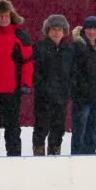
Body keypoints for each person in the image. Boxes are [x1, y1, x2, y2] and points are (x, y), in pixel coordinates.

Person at [0, 0, 33, 157]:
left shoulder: (21, 36)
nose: (3, 18)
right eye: (0, 15)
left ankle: (14, 159)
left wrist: (26, 83)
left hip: (12, 90)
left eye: (6, 15)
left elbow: (28, 62)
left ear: (11, 16)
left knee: (12, 128)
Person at [30, 13, 74, 156]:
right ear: (47, 30)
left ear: (64, 32)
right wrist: (44, 89)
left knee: (58, 129)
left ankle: (55, 155)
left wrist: (67, 89)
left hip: (61, 98)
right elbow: (34, 72)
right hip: (43, 97)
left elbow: (73, 72)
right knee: (41, 128)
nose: (56, 32)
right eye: (54, 29)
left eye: (60, 29)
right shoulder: (39, 47)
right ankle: (38, 154)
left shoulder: (69, 50)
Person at [70, 15, 96, 155]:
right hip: (82, 97)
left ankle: (90, 156)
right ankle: (77, 157)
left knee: (93, 130)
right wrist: (78, 90)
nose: (92, 31)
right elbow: (74, 71)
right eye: (89, 28)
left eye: (95, 28)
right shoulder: (78, 45)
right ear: (84, 29)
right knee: (80, 129)